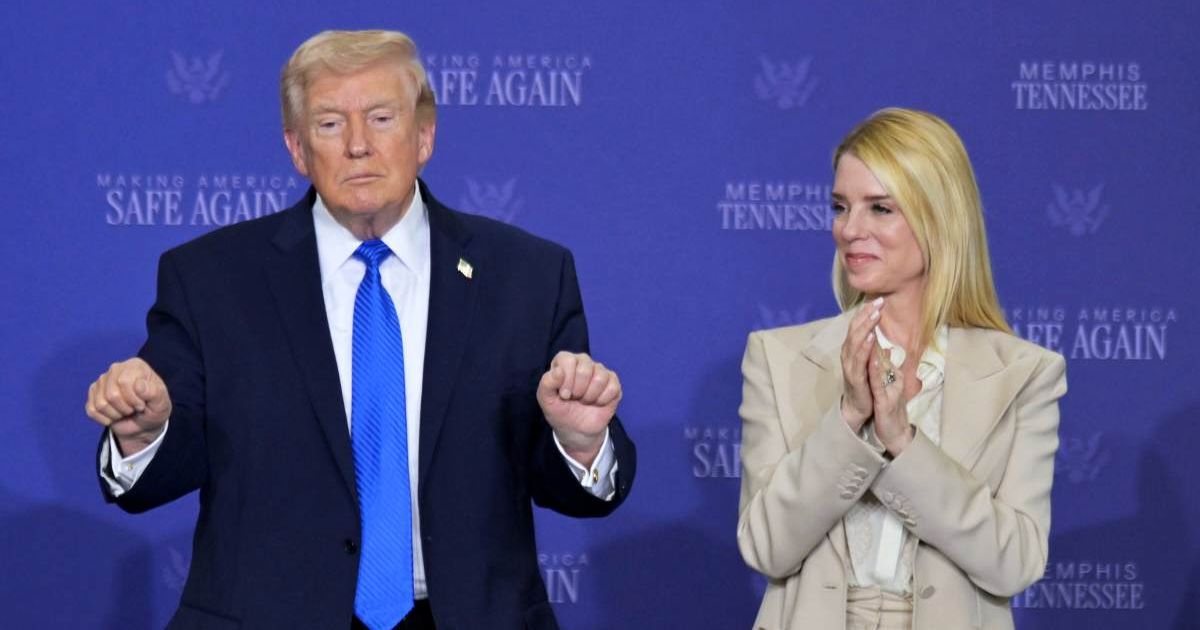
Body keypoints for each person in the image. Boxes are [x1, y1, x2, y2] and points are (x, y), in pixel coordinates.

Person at [84, 29, 636, 630]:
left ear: (424, 136)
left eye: (381, 118)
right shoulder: (210, 279)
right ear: (297, 149)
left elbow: (566, 486)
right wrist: (145, 434)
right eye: (329, 124)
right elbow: (163, 471)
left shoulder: (527, 275)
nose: (357, 145)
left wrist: (579, 445)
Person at [736, 108, 1066, 630]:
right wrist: (849, 420)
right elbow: (766, 547)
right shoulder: (777, 357)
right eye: (841, 206)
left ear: (939, 217)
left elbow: (1016, 563)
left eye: (880, 208)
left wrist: (903, 442)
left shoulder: (1023, 374)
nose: (850, 229)